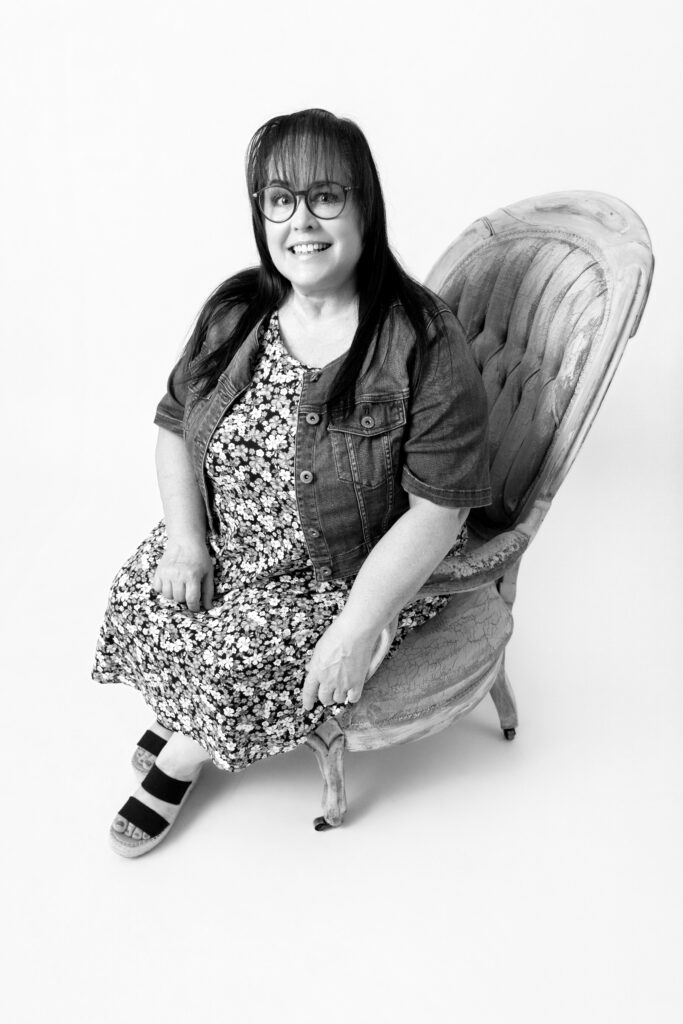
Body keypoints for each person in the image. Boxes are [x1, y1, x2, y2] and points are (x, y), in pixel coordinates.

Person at [92, 108, 492, 858]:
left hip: (345, 568)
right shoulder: (239, 308)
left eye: (325, 197)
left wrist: (357, 626)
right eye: (279, 200)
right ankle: (187, 709)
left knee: (234, 660)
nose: (300, 221)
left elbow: (438, 511)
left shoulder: (422, 338)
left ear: (364, 207)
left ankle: (182, 757)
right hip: (235, 540)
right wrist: (187, 543)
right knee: (140, 595)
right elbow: (174, 424)